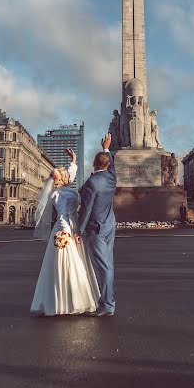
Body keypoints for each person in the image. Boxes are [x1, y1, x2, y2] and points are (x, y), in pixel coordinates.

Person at [30, 149, 99, 316]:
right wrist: (66, 231)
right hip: (66, 227)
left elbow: (70, 173)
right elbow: (62, 214)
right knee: (69, 262)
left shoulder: (62, 189)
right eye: (65, 175)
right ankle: (70, 300)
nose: (69, 176)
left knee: (72, 262)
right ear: (61, 179)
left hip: (72, 226)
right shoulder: (58, 195)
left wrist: (73, 160)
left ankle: (64, 299)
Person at [74, 133, 117, 317]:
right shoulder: (112, 178)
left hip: (96, 228)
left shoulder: (92, 183)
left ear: (94, 163)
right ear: (107, 165)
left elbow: (86, 209)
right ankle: (108, 300)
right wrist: (106, 148)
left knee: (104, 267)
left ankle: (107, 305)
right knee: (108, 265)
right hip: (109, 225)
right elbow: (112, 165)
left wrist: (79, 230)